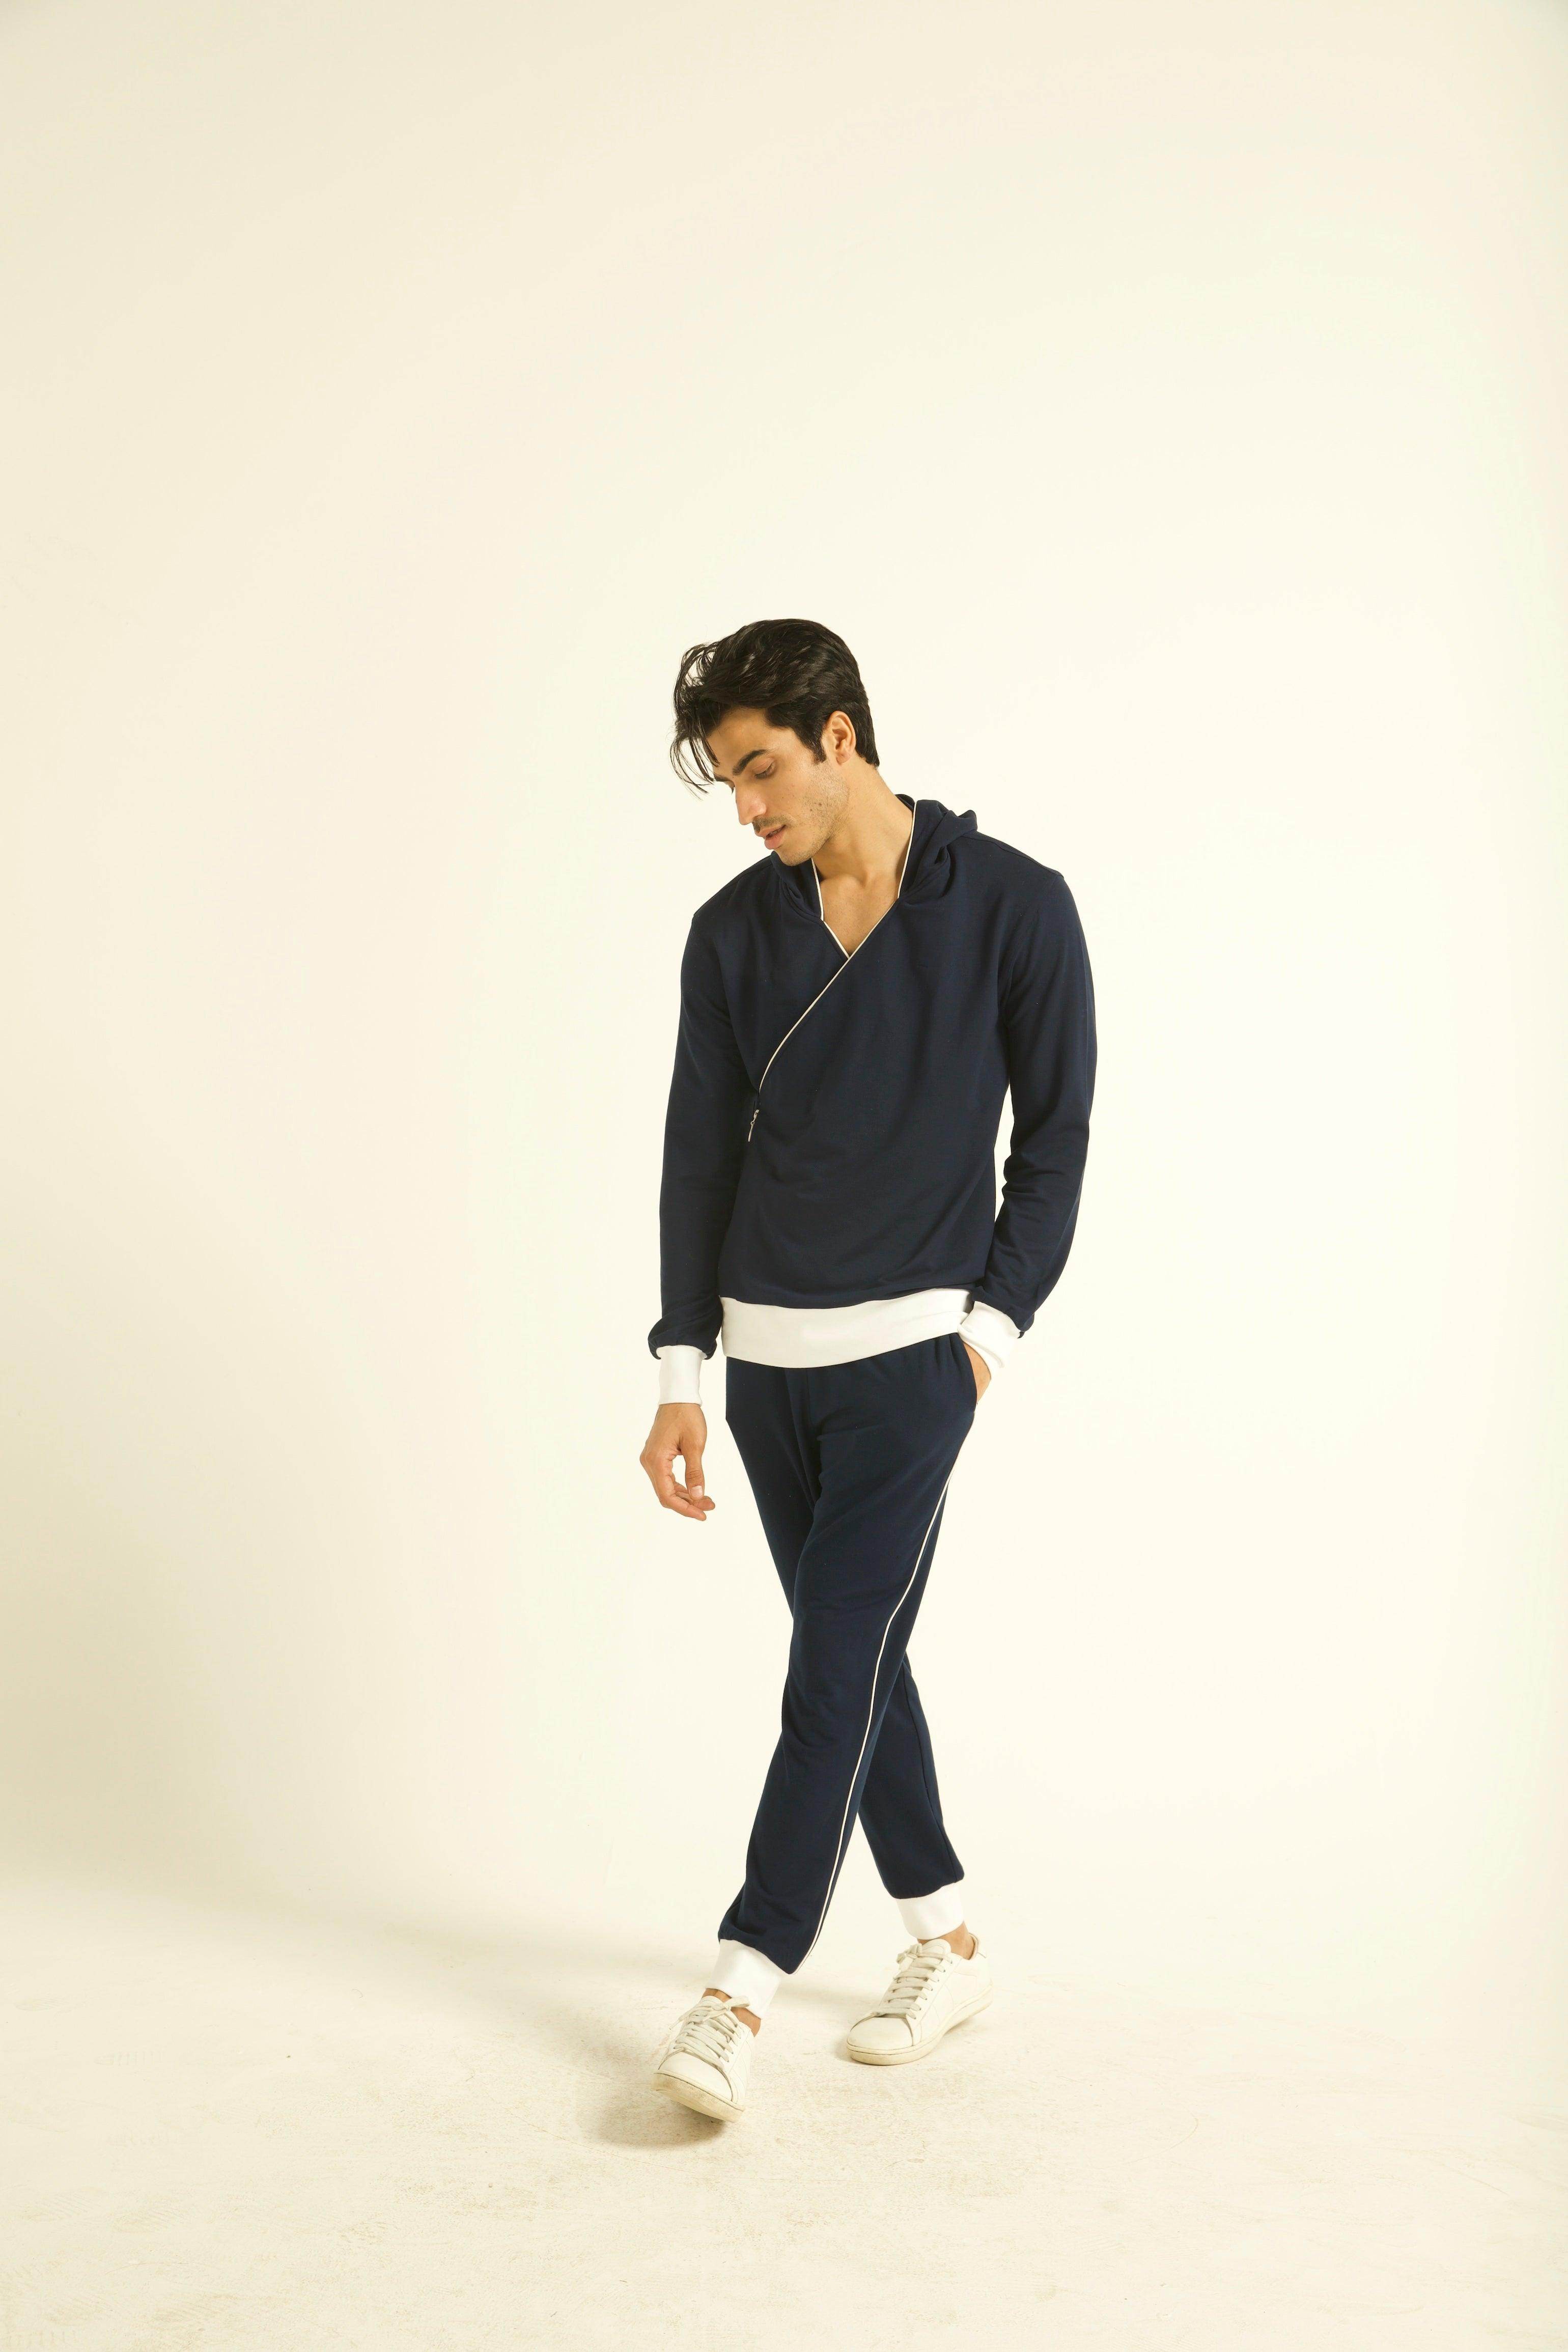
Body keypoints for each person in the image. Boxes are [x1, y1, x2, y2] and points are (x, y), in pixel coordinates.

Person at [640, 618, 1096, 2121]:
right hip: (765, 1369)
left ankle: (739, 1987)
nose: (748, 807)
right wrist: (682, 1371)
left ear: (842, 736)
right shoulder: (731, 932)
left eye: (762, 769)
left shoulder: (1013, 904)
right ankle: (946, 1940)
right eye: (728, 782)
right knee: (865, 1658)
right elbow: (697, 1159)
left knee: (828, 1665)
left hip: (913, 1365)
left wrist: (987, 1338)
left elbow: (1055, 1145)